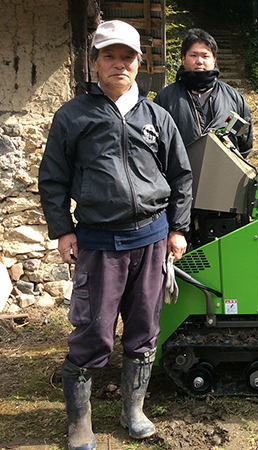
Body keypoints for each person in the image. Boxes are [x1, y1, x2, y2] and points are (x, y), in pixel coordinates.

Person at [38, 20, 193, 449]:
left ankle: (134, 409)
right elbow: (52, 179)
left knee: (144, 329)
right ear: (94, 62)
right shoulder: (73, 116)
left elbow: (180, 175)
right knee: (93, 332)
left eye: (127, 57)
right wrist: (62, 231)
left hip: (151, 239)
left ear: (139, 62)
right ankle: (81, 424)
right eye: (109, 56)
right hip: (99, 242)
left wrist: (178, 228)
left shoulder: (156, 116)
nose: (119, 64)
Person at [154, 28, 253, 156]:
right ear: (183, 59)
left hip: (223, 173)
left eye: (205, 56)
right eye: (193, 55)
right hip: (179, 174)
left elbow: (244, 144)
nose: (199, 61)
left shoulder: (233, 98)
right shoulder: (165, 99)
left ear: (214, 59)